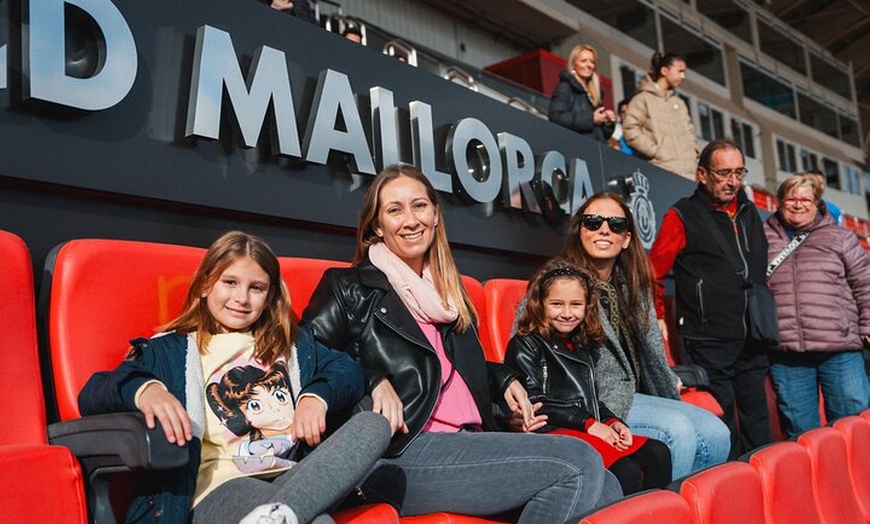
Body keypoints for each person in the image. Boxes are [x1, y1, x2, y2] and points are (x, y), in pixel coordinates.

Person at [302, 164, 621, 523]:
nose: (410, 220)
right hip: (401, 450)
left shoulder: (450, 294)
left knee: (607, 485)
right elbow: (310, 357)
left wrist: (503, 381)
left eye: (419, 206)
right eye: (395, 210)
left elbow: (444, 369)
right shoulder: (349, 286)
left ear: (436, 214)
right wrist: (373, 380)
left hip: (469, 440)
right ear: (377, 226)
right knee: (577, 461)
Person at [78, 231, 390, 524]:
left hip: (294, 476)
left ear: (268, 297)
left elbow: (347, 370)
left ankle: (281, 514)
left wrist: (315, 396)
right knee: (317, 520)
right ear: (204, 285)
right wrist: (146, 390)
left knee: (374, 424)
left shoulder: (292, 345)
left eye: (256, 288)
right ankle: (282, 514)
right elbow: (94, 392)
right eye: (229, 282)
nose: (241, 298)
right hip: (218, 487)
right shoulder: (170, 349)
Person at [556, 192, 730, 479]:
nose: (604, 229)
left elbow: (650, 356)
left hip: (638, 395)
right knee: (678, 431)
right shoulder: (557, 284)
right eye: (593, 222)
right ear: (579, 232)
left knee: (716, 432)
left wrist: (667, 380)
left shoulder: (634, 287)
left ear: (626, 238)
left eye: (616, 224)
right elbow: (526, 341)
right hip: (594, 401)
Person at [505, 259, 672, 494]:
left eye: (575, 304)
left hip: (584, 425)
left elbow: (591, 397)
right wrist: (590, 424)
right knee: (627, 471)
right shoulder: (525, 343)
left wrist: (613, 422)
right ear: (540, 304)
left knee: (658, 452)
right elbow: (534, 401)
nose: (566, 313)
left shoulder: (582, 344)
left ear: (587, 307)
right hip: (553, 430)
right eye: (556, 304)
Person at [650, 139, 772, 457]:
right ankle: (732, 490)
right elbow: (653, 273)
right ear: (702, 174)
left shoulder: (749, 212)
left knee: (759, 420)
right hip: (709, 339)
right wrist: (659, 313)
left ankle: (766, 487)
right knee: (723, 423)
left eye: (739, 172)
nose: (733, 181)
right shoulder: (681, 215)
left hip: (754, 334)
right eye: (724, 173)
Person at [764, 173, 870, 436]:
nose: (798, 204)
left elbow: (865, 282)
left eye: (805, 199)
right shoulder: (762, 237)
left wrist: (867, 323)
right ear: (779, 201)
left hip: (839, 347)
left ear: (817, 202)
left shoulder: (840, 237)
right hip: (787, 352)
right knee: (801, 430)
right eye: (791, 198)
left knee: (853, 422)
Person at [622, 51, 698, 180]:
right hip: (662, 172)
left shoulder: (679, 103)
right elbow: (630, 130)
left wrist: (693, 154)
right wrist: (656, 152)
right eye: (679, 71)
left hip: (689, 174)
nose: (683, 76)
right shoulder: (642, 98)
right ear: (664, 71)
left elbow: (690, 133)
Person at [548, 44, 616, 143]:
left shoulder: (595, 93)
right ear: (574, 64)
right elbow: (556, 117)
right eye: (584, 61)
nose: (589, 65)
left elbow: (601, 134)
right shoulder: (565, 88)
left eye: (592, 62)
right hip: (576, 148)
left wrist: (607, 122)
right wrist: (591, 119)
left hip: (597, 151)